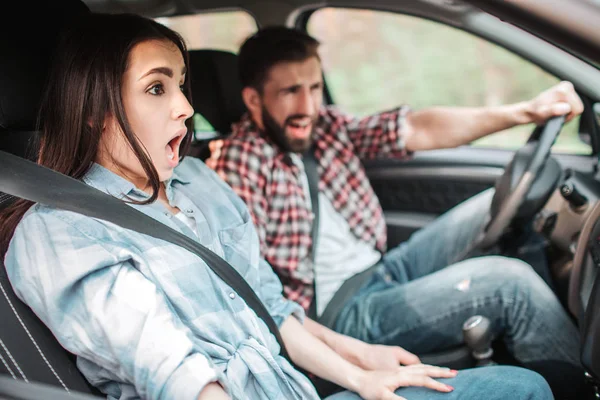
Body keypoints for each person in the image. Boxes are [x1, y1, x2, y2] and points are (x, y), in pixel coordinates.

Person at [0, 11, 555, 400]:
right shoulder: (65, 230)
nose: (187, 108)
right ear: (97, 109)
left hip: (311, 361)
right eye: (156, 89)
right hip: (317, 330)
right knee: (519, 358)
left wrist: (363, 369)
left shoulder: (196, 182)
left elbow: (273, 310)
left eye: (183, 86)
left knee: (505, 210)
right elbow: (176, 376)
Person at [206, 26, 584, 394]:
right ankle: (583, 388)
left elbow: (415, 128)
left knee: (501, 202)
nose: (308, 106)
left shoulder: (326, 128)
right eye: (291, 91)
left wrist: (527, 112)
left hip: (383, 267)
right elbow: (253, 288)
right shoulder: (241, 164)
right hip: (340, 311)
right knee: (510, 284)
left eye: (315, 88)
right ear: (254, 100)